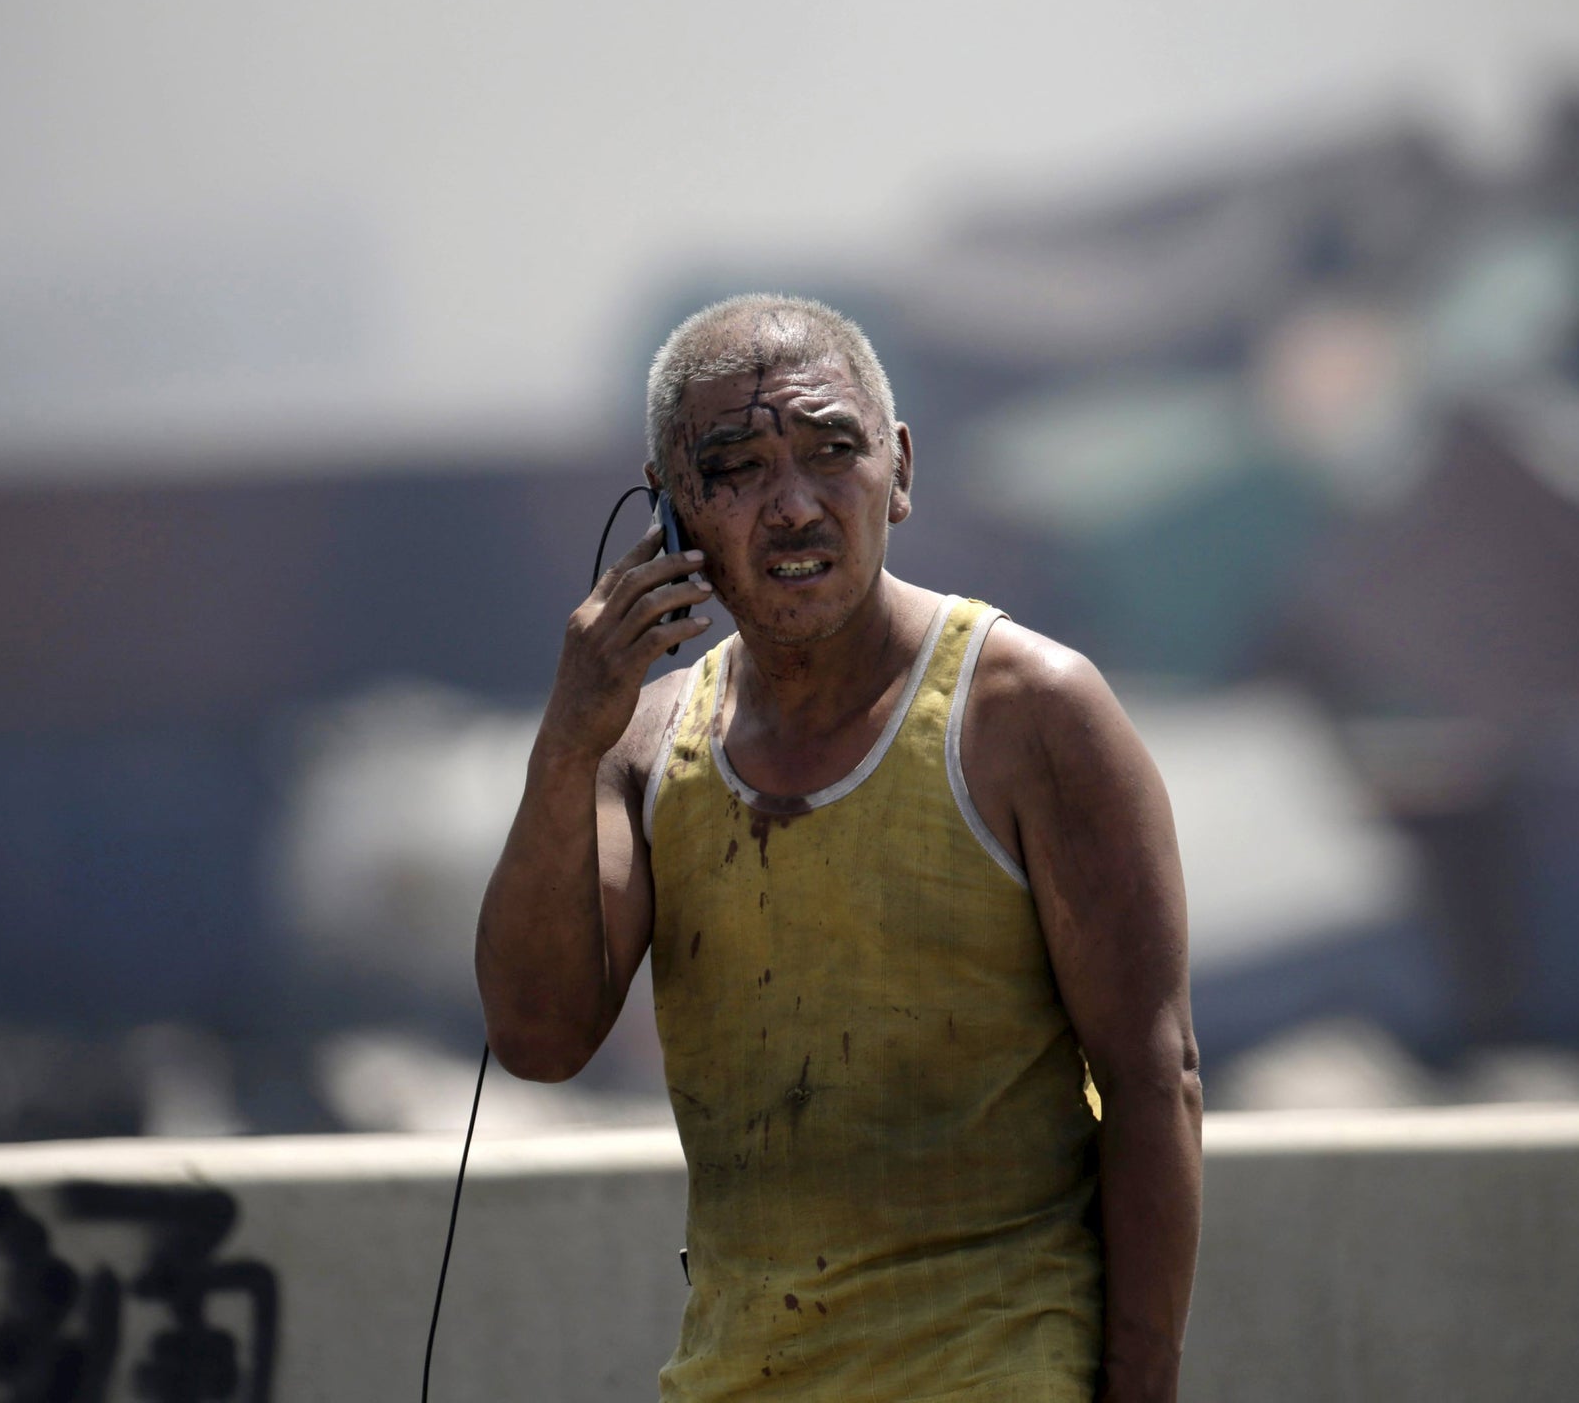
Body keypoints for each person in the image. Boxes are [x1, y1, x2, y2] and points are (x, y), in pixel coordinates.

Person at [475, 294, 1201, 1402]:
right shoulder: (643, 741)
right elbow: (536, 1038)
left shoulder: (1024, 714)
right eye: (738, 468)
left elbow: (1153, 1085)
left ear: (897, 472)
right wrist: (564, 741)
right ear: (671, 511)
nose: (794, 507)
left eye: (831, 453)